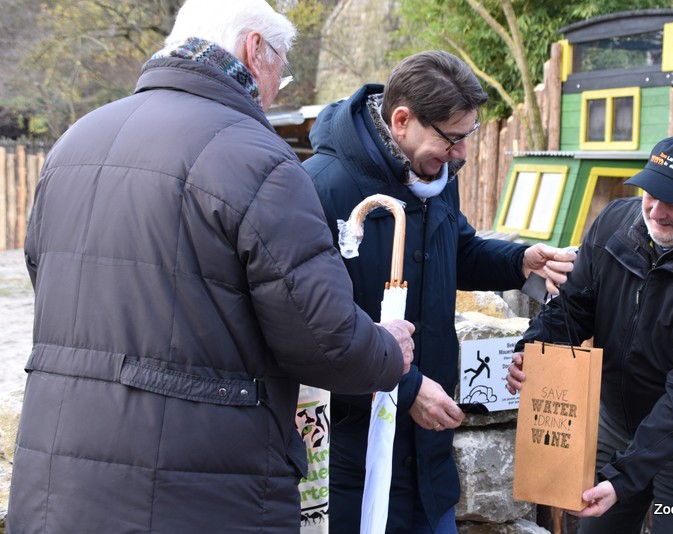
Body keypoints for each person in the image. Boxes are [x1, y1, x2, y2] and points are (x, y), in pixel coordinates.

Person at [7, 0, 416, 532]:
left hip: (56, 487)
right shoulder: (259, 159)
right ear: (254, 51)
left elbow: (49, 284)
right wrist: (388, 349)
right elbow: (325, 341)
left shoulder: (73, 144)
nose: (275, 91)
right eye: (281, 71)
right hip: (198, 491)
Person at [303, 50, 577, 533]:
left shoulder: (433, 177)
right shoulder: (320, 190)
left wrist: (519, 261)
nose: (462, 154)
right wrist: (406, 389)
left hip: (428, 462)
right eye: (452, 138)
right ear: (402, 120)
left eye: (466, 136)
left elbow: (457, 251)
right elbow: (312, 324)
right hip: (353, 454)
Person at [506, 134, 673, 534]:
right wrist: (536, 349)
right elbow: (575, 306)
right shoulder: (614, 222)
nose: (656, 212)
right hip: (616, 415)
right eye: (651, 194)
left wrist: (624, 475)